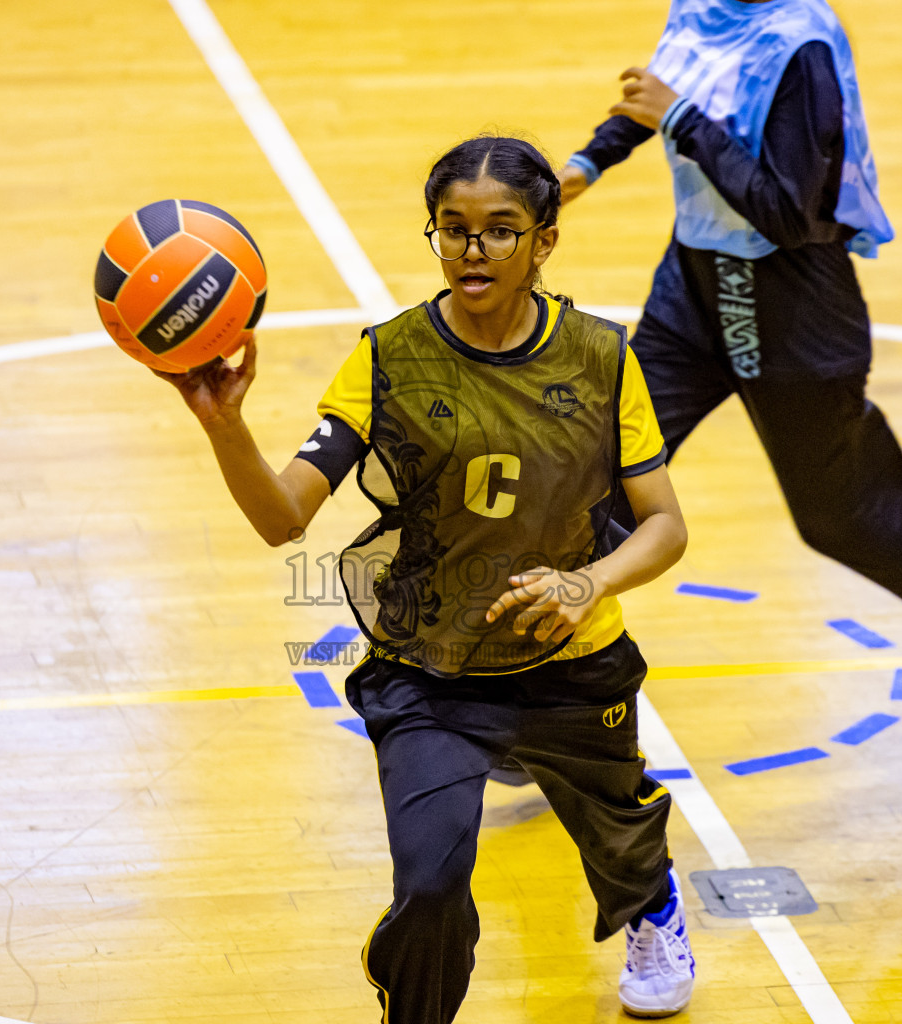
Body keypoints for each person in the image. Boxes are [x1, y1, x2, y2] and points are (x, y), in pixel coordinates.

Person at [157, 135, 696, 1021]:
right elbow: (282, 516)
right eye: (453, 229)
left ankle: (652, 907)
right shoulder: (387, 358)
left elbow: (666, 526)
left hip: (571, 659)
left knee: (626, 845)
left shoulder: (602, 357)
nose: (472, 251)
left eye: (499, 230)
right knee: (433, 885)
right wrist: (225, 426)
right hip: (430, 671)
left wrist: (588, 584)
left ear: (544, 242)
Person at [559, 0, 902, 756]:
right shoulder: (704, 10)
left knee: (846, 519)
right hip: (692, 296)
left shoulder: (802, 48)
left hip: (793, 316)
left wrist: (681, 118)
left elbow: (787, 211)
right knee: (594, 473)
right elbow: (659, 93)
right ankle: (554, 704)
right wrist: (584, 166)